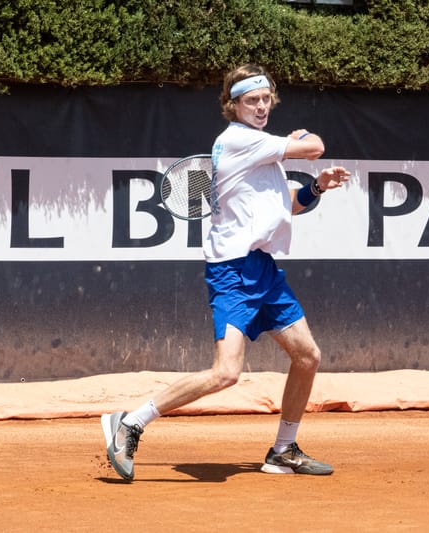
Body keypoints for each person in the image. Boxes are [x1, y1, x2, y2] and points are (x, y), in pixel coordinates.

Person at [101, 63, 350, 481]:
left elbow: (288, 205)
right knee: (226, 373)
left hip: (263, 269)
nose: (261, 106)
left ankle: (283, 450)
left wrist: (317, 187)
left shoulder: (259, 148)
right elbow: (316, 146)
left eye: (266, 98)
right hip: (233, 269)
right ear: (232, 105)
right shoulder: (238, 140)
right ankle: (131, 422)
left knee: (307, 356)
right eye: (251, 100)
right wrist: (302, 138)